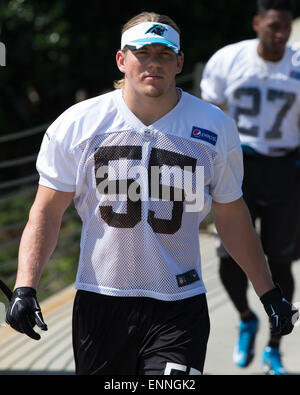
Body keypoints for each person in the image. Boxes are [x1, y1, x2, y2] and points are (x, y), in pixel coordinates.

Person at [5, 11, 298, 376]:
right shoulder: (78, 125)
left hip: (179, 306)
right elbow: (47, 212)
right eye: (142, 53)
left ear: (179, 63)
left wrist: (268, 293)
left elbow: (231, 216)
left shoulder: (214, 127)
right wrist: (25, 287)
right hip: (101, 304)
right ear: (122, 59)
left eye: (163, 54)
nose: (152, 63)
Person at [200, 0, 300, 375]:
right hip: (237, 164)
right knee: (228, 258)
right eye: (273, 25)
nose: (280, 35)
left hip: (286, 167)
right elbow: (207, 113)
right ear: (257, 23)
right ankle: (246, 317)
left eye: (286, 27)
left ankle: (275, 345)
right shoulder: (229, 59)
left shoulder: (297, 62)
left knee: (281, 259)